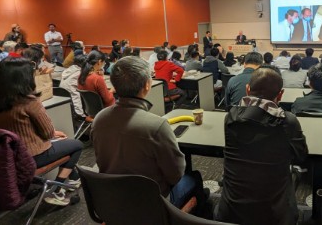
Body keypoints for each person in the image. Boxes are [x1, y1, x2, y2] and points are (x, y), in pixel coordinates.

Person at [91, 56, 208, 210]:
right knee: (194, 177)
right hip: (152, 203)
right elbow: (176, 174)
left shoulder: (99, 119)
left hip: (114, 198)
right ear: (147, 85)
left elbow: (101, 162)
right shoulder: (157, 126)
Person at [216, 67, 308, 225]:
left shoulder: (230, 117)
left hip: (230, 213)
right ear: (280, 94)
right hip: (275, 217)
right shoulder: (287, 122)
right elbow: (301, 156)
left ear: (247, 89)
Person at [0, 57, 83, 206]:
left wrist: (53, 133)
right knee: (76, 145)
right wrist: (52, 133)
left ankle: (74, 179)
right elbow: (46, 134)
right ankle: (58, 190)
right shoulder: (30, 102)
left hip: (10, 156)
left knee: (62, 142)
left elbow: (20, 130)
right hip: (34, 156)